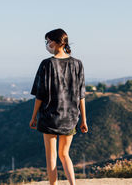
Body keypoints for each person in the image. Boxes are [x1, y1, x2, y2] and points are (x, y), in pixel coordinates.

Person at [29, 28, 88, 185]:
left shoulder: (46, 64)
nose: (47, 44)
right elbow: (81, 95)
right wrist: (84, 120)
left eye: (48, 41)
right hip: (70, 118)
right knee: (65, 154)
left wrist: (34, 117)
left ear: (55, 42)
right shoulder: (78, 64)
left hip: (50, 117)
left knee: (52, 157)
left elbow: (39, 95)